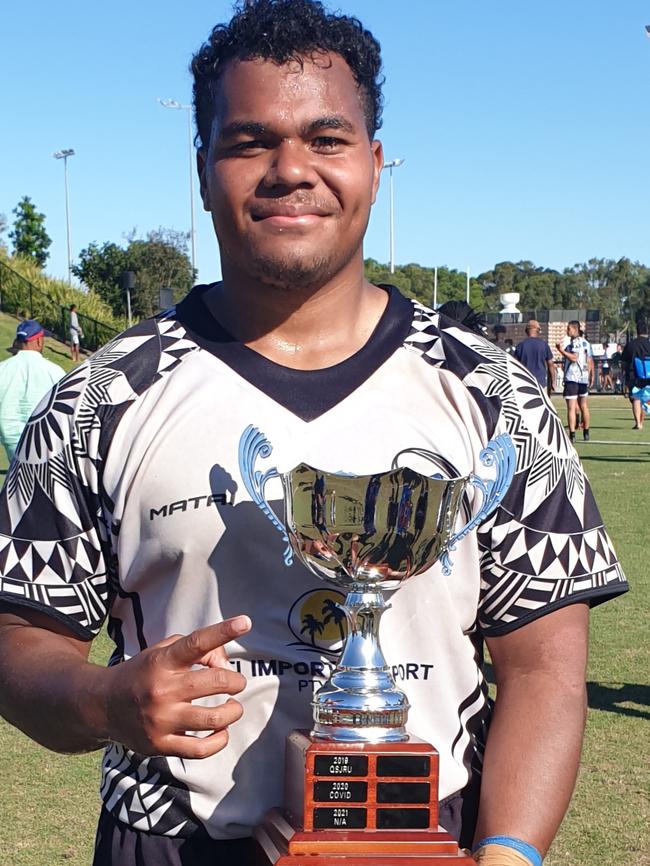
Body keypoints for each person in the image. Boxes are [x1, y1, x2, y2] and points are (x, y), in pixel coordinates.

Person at [0, 3, 627, 866]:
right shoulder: (100, 400)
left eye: (327, 140)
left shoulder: (495, 396)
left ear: (374, 164)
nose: (291, 170)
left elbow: (546, 667)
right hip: (174, 843)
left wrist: (510, 854)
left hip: (429, 842)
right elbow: (19, 640)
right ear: (203, 166)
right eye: (250, 141)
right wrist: (105, 701)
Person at [0, 319, 65, 462]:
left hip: (12, 445)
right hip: (46, 445)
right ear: (39, 341)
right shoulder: (54, 371)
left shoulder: (2, 369)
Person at [556, 321, 594, 443]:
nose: (567, 331)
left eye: (568, 328)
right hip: (583, 378)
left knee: (571, 407)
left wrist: (560, 350)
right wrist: (590, 375)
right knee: (584, 405)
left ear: (574, 329)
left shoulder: (575, 343)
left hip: (573, 377)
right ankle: (586, 432)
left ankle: (572, 434)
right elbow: (589, 360)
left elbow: (574, 357)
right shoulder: (586, 343)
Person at [621, 319, 650, 430]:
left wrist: (624, 374)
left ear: (637, 331)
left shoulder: (631, 345)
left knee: (636, 398)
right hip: (648, 376)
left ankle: (638, 423)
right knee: (645, 398)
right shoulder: (649, 344)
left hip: (633, 375)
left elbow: (623, 362)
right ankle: (641, 421)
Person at [514, 320, 555, 393]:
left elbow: (515, 365)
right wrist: (553, 381)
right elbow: (550, 364)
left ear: (526, 331)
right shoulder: (544, 345)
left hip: (525, 383)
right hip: (541, 382)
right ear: (538, 330)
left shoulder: (520, 346)